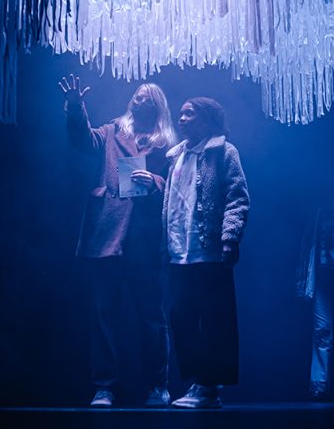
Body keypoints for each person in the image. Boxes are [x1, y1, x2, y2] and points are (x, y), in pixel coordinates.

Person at [59, 74, 177, 408]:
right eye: (137, 95)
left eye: (148, 97)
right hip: (108, 232)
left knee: (152, 317)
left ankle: (158, 385)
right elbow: (82, 141)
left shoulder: (166, 144)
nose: (140, 98)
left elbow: (179, 186)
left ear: (156, 106)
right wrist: (74, 106)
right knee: (104, 315)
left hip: (144, 236)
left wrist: (154, 182)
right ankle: (104, 387)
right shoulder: (112, 131)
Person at [163, 97, 250, 409]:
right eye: (181, 113)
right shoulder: (176, 157)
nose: (181, 118)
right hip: (179, 252)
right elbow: (176, 203)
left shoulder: (223, 151)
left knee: (213, 321)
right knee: (180, 317)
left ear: (209, 120)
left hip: (209, 252)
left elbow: (237, 196)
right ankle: (200, 383)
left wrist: (229, 237)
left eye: (190, 113)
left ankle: (209, 387)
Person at [295, 174, 334, 401]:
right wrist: (303, 282)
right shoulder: (318, 215)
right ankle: (320, 385)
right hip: (322, 282)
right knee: (323, 334)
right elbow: (307, 248)